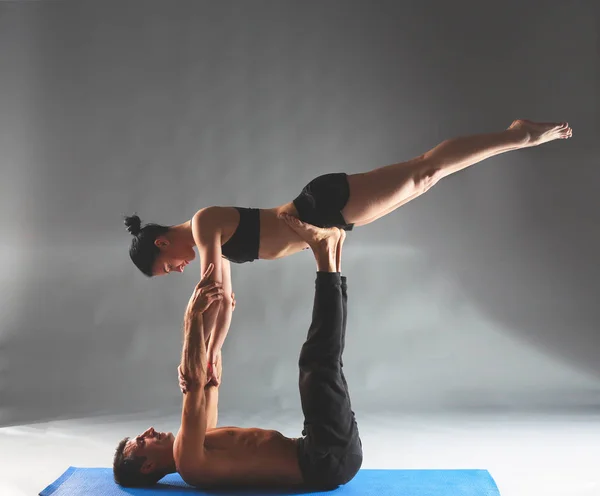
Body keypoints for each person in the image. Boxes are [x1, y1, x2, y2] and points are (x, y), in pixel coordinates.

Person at [124, 119, 572, 384]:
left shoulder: (203, 223)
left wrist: (196, 352)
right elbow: (228, 300)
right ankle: (516, 138)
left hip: (319, 206)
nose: (179, 269)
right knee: (425, 176)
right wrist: (213, 353)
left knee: (424, 172)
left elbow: (210, 289)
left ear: (162, 242)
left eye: (168, 266)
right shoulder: (209, 239)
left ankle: (519, 136)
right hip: (324, 221)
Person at [113, 216, 362, 490]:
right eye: (141, 441)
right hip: (322, 459)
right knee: (318, 364)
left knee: (324, 363)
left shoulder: (199, 438)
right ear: (148, 466)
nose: (148, 431)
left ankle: (333, 253)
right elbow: (193, 383)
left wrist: (221, 270)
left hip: (322, 450)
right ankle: (327, 258)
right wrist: (191, 318)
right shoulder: (188, 462)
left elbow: (208, 372)